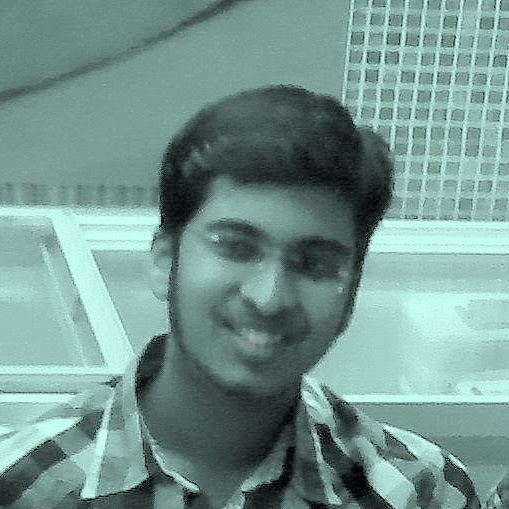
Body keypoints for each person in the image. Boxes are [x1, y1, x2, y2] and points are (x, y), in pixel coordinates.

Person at [0, 85, 481, 508]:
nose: (269, 299)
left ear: (352, 290)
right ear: (164, 259)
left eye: (314, 263)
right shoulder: (23, 484)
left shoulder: (420, 492)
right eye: (236, 247)